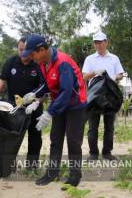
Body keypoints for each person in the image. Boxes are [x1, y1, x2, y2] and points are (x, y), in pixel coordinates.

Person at [21, 34, 87, 190]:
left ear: (42, 49)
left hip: (76, 105)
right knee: (55, 139)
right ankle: (52, 172)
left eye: (32, 54)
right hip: (60, 104)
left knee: (73, 140)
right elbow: (47, 85)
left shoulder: (63, 62)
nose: (31, 58)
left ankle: (75, 175)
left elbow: (66, 91)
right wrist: (35, 95)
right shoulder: (44, 63)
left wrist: (49, 112)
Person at [0, 37, 44, 169]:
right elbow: (2, 79)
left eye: (25, 51)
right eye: (20, 50)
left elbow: (45, 89)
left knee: (35, 137)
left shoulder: (38, 64)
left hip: (34, 107)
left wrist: (36, 102)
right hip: (14, 108)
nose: (23, 54)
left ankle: (32, 165)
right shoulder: (11, 62)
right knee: (11, 137)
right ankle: (9, 164)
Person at [82, 31, 124, 161]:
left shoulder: (114, 58)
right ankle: (93, 153)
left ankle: (107, 152)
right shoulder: (90, 59)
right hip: (94, 97)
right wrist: (95, 72)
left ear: (106, 42)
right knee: (92, 127)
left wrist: (112, 77)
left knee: (109, 127)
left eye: (100, 42)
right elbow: (84, 76)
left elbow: (120, 74)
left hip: (110, 96)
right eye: (96, 43)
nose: (98, 45)